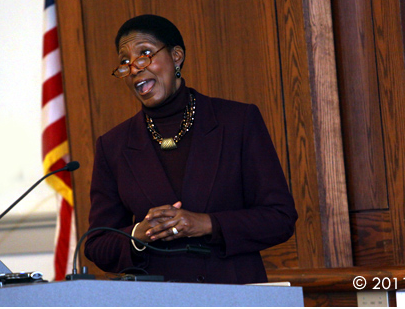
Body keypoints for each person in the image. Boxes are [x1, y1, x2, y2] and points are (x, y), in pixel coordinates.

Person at [84, 14, 298, 284]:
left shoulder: (237, 121)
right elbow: (97, 244)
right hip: (159, 301)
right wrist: (139, 234)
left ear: (176, 56)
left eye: (145, 54)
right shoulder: (113, 145)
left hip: (235, 295)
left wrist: (205, 224)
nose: (135, 68)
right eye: (125, 62)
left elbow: (280, 218)